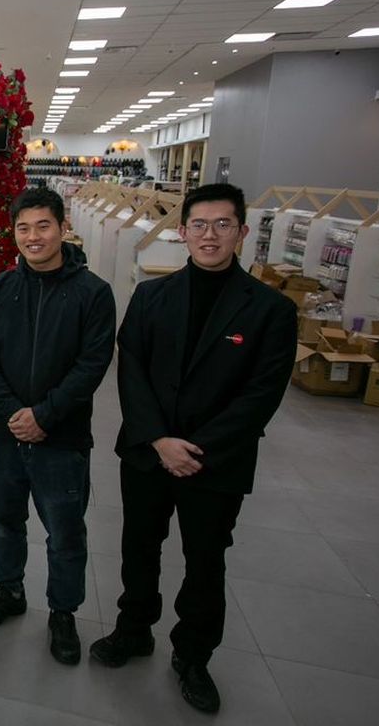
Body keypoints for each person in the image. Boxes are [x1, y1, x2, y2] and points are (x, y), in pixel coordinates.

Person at [89, 183, 296, 714]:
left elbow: (261, 394)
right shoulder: (153, 296)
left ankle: (194, 655)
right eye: (199, 225)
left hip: (216, 463)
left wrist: (195, 449)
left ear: (242, 232)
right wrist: (158, 438)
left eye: (222, 224)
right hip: (147, 452)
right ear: (182, 232)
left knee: (205, 560)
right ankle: (134, 628)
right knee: (140, 546)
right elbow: (130, 366)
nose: (210, 235)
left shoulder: (270, 309)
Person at [0, 186, 116, 666]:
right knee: (5, 521)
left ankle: (62, 612)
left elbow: (92, 364)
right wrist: (14, 412)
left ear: (62, 227)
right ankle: (9, 590)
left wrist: (44, 415)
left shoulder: (92, 293)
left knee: (64, 532)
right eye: (23, 228)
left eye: (43, 226)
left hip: (63, 438)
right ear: (14, 233)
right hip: (3, 435)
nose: (33, 237)